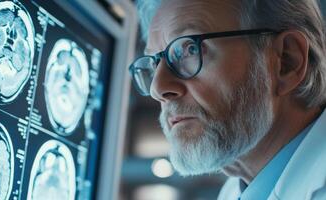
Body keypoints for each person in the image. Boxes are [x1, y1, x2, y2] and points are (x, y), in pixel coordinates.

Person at [129, 0, 326, 199]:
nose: (158, 88)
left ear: (286, 61)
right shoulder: (236, 190)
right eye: (155, 64)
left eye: (190, 50)